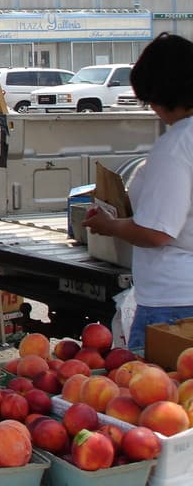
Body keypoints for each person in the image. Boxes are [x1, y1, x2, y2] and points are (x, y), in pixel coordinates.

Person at [84, 32, 193, 351]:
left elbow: (157, 231)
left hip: (174, 299)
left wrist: (109, 225)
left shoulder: (176, 147)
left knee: (154, 395)